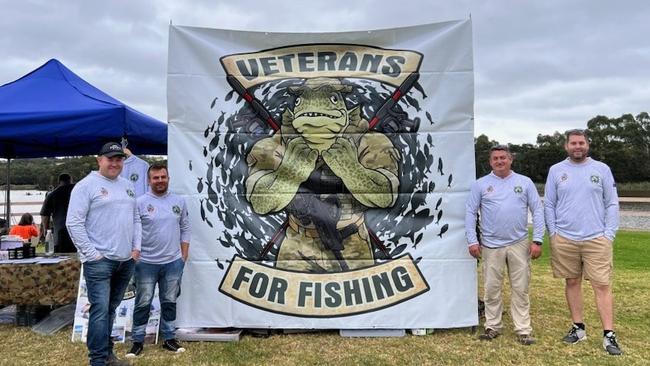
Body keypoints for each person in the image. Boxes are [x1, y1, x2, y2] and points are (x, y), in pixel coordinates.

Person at [544, 129, 622, 355]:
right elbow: (549, 203)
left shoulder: (601, 169)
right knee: (572, 282)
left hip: (596, 238)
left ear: (587, 145)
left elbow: (611, 203)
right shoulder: (556, 170)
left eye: (581, 143)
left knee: (602, 285)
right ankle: (578, 328)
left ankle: (609, 335)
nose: (577, 146)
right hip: (565, 238)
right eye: (573, 143)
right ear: (566, 146)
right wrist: (554, 233)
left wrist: (609, 234)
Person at [66, 142, 141, 366]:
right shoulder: (86, 185)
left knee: (110, 309)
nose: (115, 163)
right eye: (110, 159)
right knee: (100, 310)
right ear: (99, 160)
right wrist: (92, 254)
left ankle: (108, 356)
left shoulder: (128, 185)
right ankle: (97, 361)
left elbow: (136, 218)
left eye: (119, 159)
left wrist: (135, 248)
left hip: (125, 260)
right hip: (100, 262)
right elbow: (74, 223)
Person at [465, 145, 544, 345]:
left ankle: (523, 329)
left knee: (521, 288)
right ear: (490, 162)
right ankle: (493, 326)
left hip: (519, 243)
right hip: (491, 245)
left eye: (503, 157)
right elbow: (470, 213)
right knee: (491, 288)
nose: (500, 161)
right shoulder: (480, 184)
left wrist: (538, 240)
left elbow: (537, 210)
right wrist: (472, 240)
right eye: (495, 158)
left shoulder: (524, 182)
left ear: (511, 160)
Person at [126, 163, 190, 358]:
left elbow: (186, 227)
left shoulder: (179, 201)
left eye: (163, 177)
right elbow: (132, 232)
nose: (160, 181)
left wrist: (183, 255)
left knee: (169, 301)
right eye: (156, 178)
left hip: (173, 262)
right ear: (149, 180)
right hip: (145, 262)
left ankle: (169, 339)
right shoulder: (139, 202)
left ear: (168, 178)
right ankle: (137, 341)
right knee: (143, 302)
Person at [40, 173, 76, 253]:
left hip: (60, 232)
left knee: (61, 257)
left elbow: (45, 215)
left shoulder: (52, 194)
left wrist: (46, 229)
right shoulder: (79, 191)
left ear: (59, 181)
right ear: (71, 180)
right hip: (79, 230)